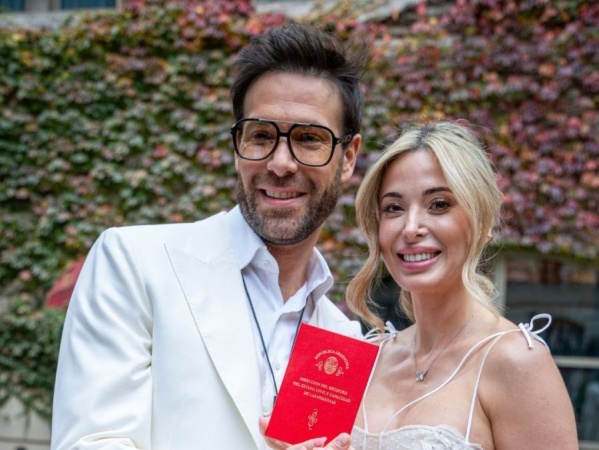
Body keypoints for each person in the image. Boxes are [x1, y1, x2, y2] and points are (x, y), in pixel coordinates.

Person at [51, 22, 366, 450]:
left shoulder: (342, 341)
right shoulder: (133, 261)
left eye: (309, 139)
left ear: (347, 158)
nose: (280, 163)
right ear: (237, 146)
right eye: (261, 135)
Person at [264, 121, 578, 450]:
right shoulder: (354, 361)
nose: (410, 228)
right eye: (394, 208)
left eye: (439, 204)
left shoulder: (517, 361)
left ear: (482, 219)